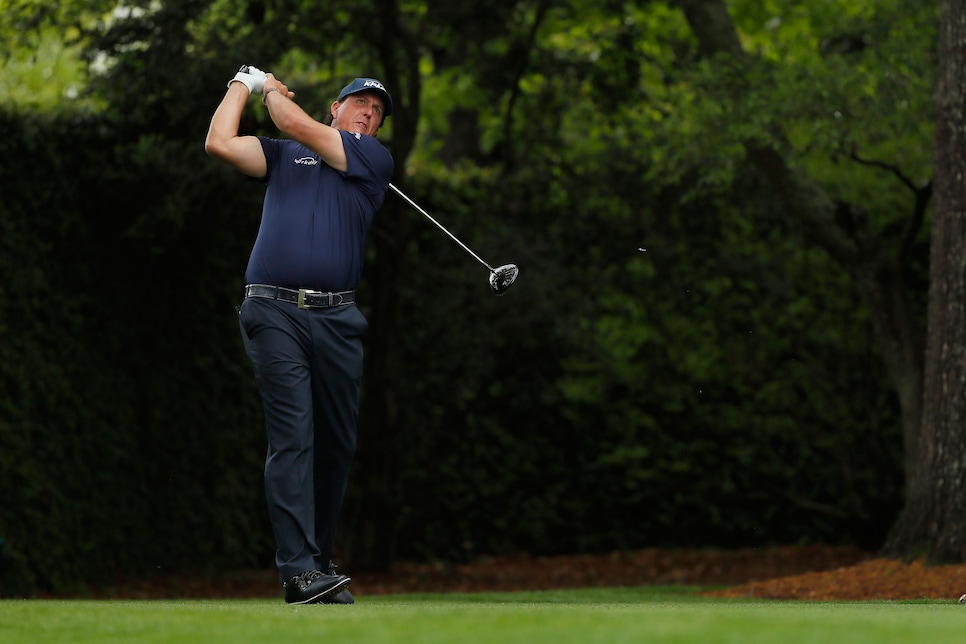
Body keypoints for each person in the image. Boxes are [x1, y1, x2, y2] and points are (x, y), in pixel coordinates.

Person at [204, 65, 394, 605]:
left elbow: (294, 121)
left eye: (376, 112)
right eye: (359, 103)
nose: (368, 113)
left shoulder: (371, 161)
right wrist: (240, 84)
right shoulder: (284, 155)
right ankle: (298, 572)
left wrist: (271, 90)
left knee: (336, 443)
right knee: (294, 438)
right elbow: (219, 142)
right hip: (272, 312)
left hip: (337, 319)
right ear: (335, 108)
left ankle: (317, 561)